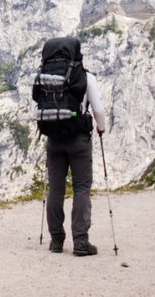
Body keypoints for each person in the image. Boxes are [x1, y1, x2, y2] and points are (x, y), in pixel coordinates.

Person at [41, 40, 108, 257]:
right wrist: (101, 128)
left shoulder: (47, 76)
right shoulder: (87, 77)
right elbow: (98, 110)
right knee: (81, 188)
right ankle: (80, 241)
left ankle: (56, 240)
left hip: (54, 138)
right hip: (79, 139)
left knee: (56, 189)